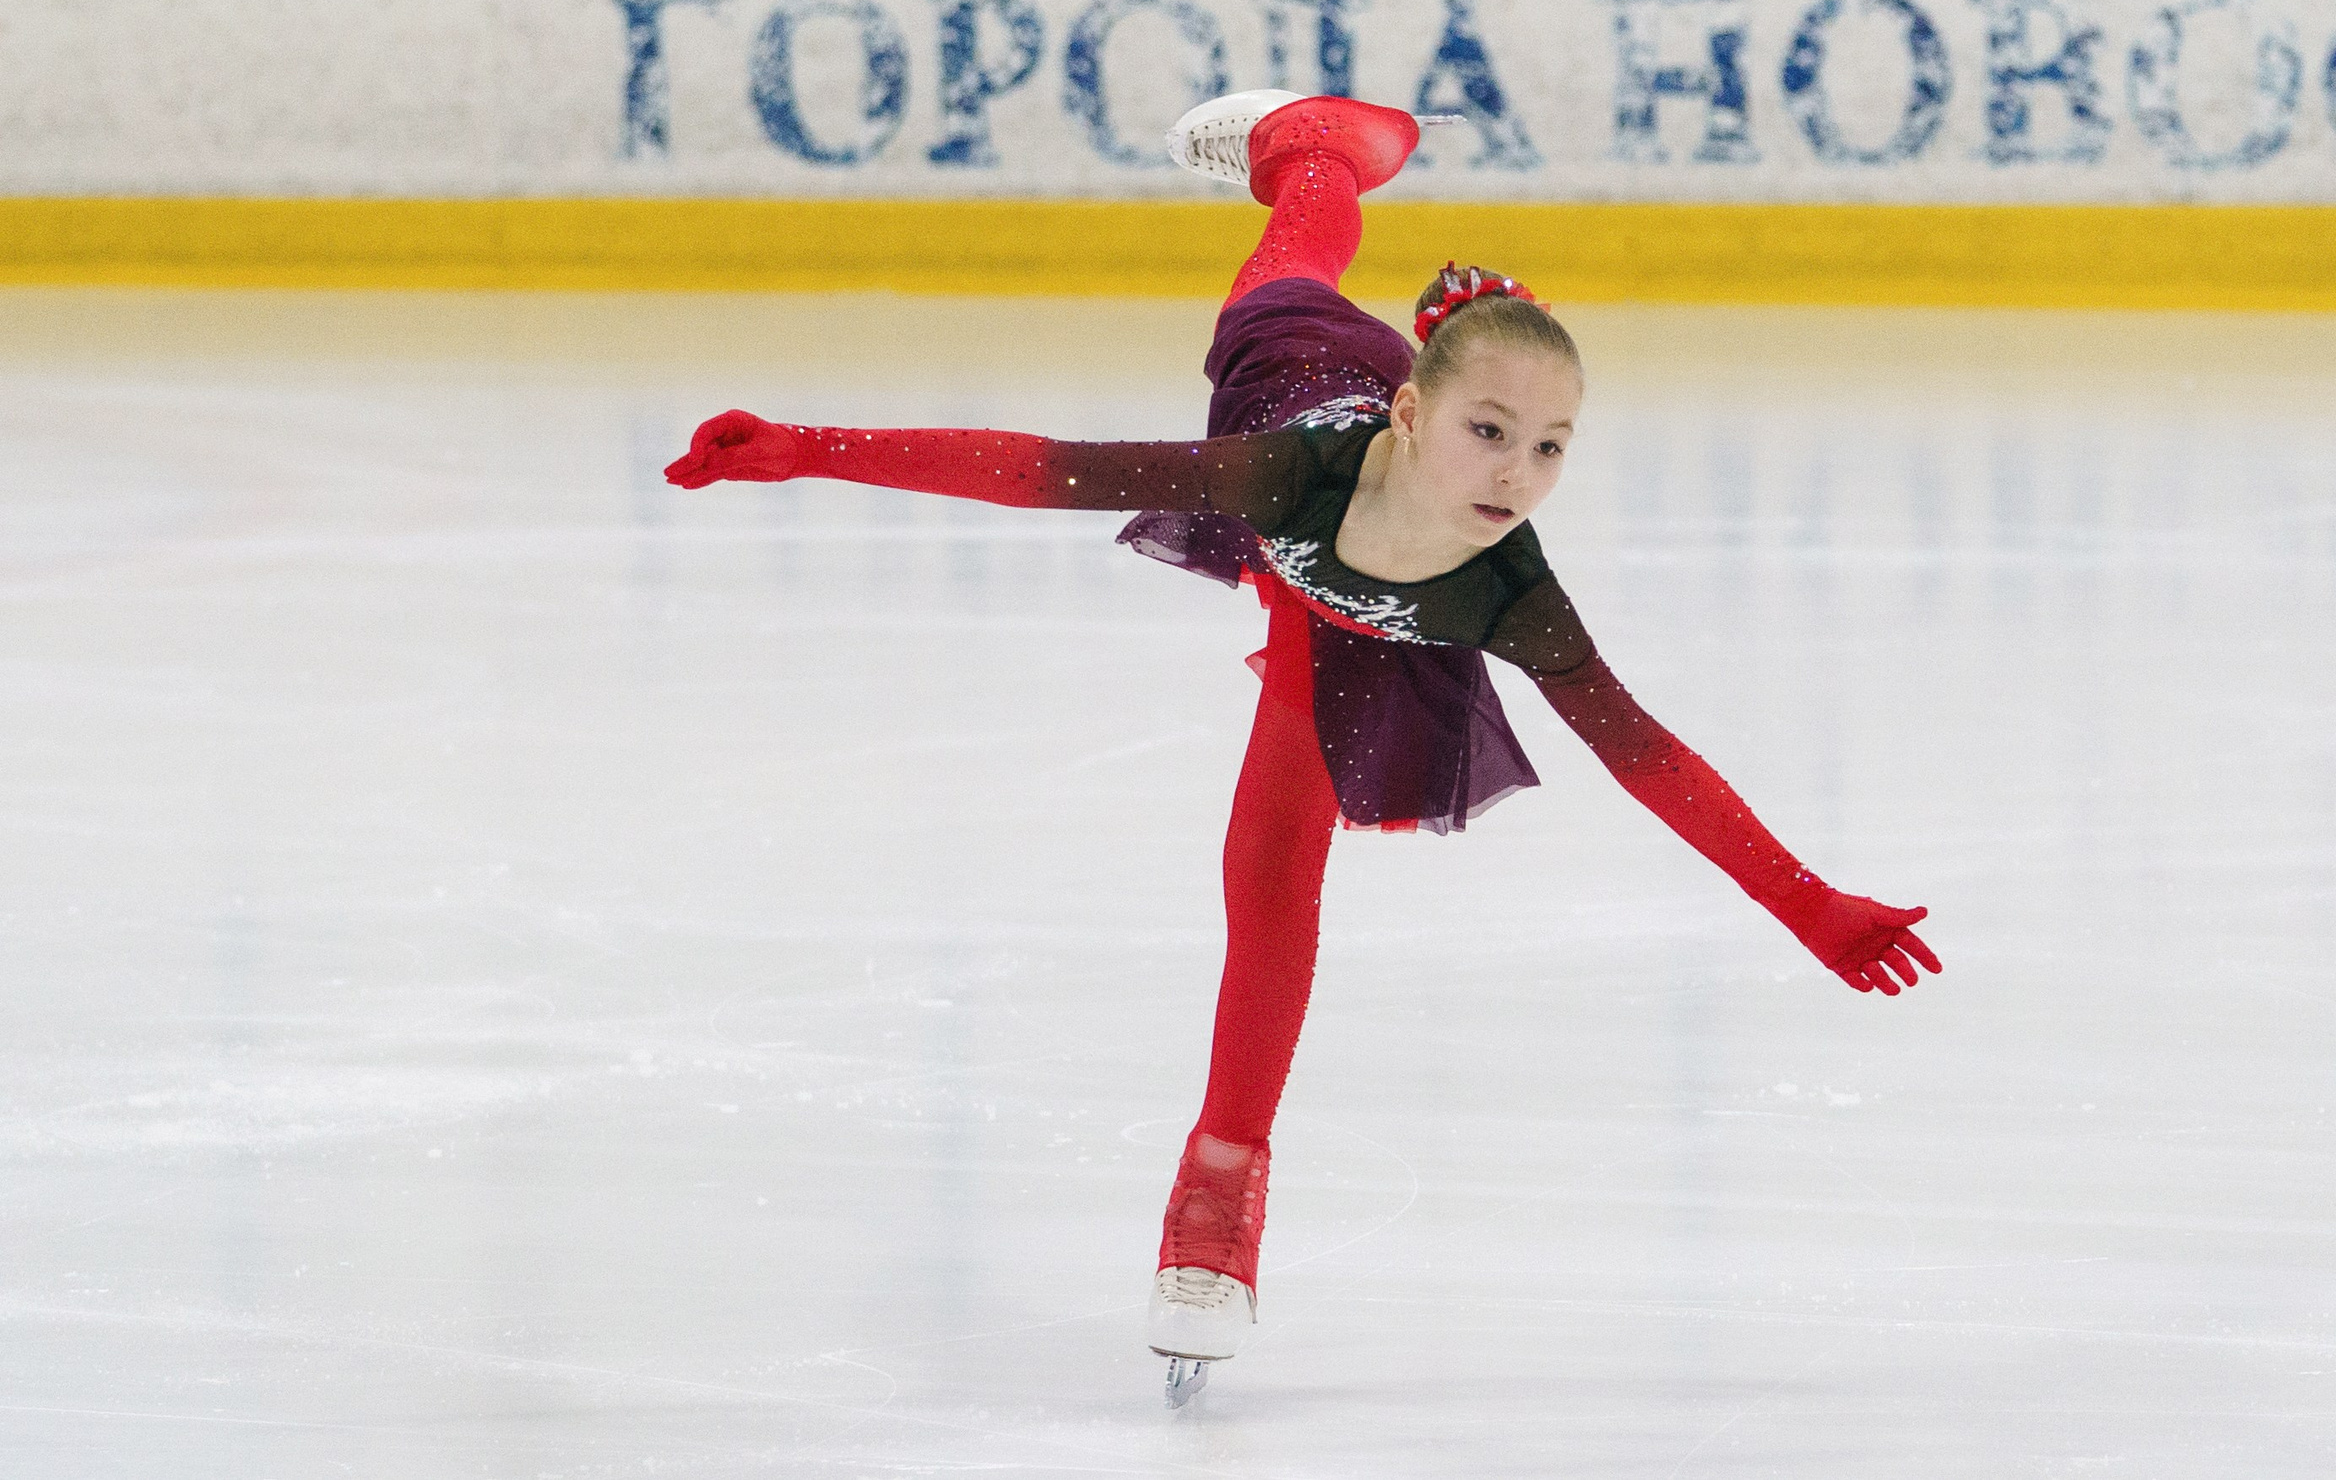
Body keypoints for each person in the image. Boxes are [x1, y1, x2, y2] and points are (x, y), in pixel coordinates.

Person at [663, 90, 1939, 1405]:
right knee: (1293, 253)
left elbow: (1648, 757)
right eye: (1490, 431)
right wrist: (807, 449)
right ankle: (1316, 147)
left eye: (1550, 447)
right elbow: (1044, 468)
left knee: (1273, 873)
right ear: (1409, 413)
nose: (1516, 472)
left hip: (1363, 620)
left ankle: (1218, 1198)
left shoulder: (1511, 590)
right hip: (1297, 404)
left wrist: (1810, 906)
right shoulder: (1290, 466)